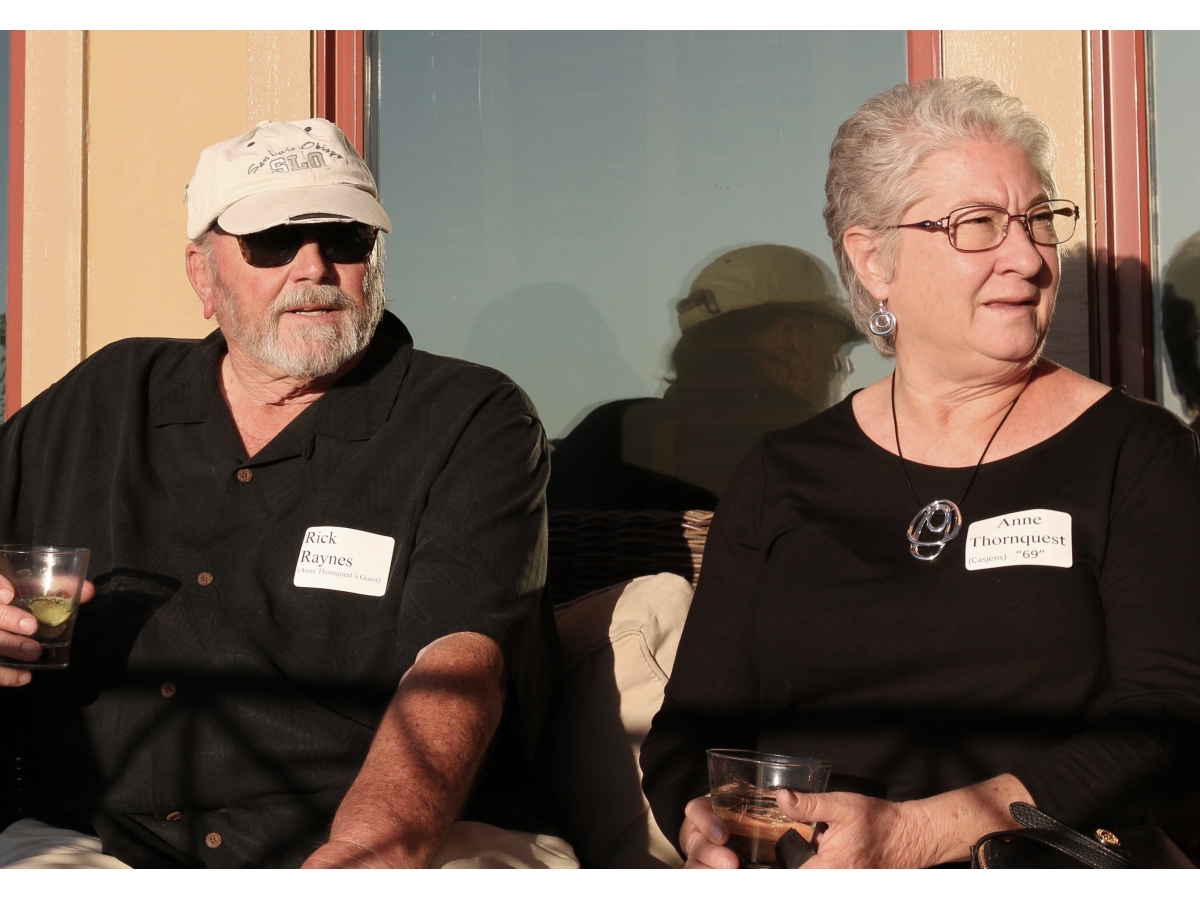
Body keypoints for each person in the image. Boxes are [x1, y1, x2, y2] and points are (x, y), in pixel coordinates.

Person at [640, 77, 1200, 868]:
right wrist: (696, 819)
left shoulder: (1134, 451)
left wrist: (924, 833)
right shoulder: (782, 471)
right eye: (978, 224)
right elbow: (690, 729)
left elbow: (1171, 718)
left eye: (1039, 219)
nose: (1029, 257)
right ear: (875, 259)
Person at [0, 118, 576, 869]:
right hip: (100, 840)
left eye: (346, 238)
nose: (314, 267)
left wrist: (367, 851)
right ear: (202, 274)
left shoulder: (470, 416)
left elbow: (460, 663)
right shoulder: (108, 396)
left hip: (413, 838)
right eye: (272, 241)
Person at [549, 244, 861, 511]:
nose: (845, 368)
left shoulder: (609, 430)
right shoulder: (817, 454)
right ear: (788, 338)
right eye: (835, 350)